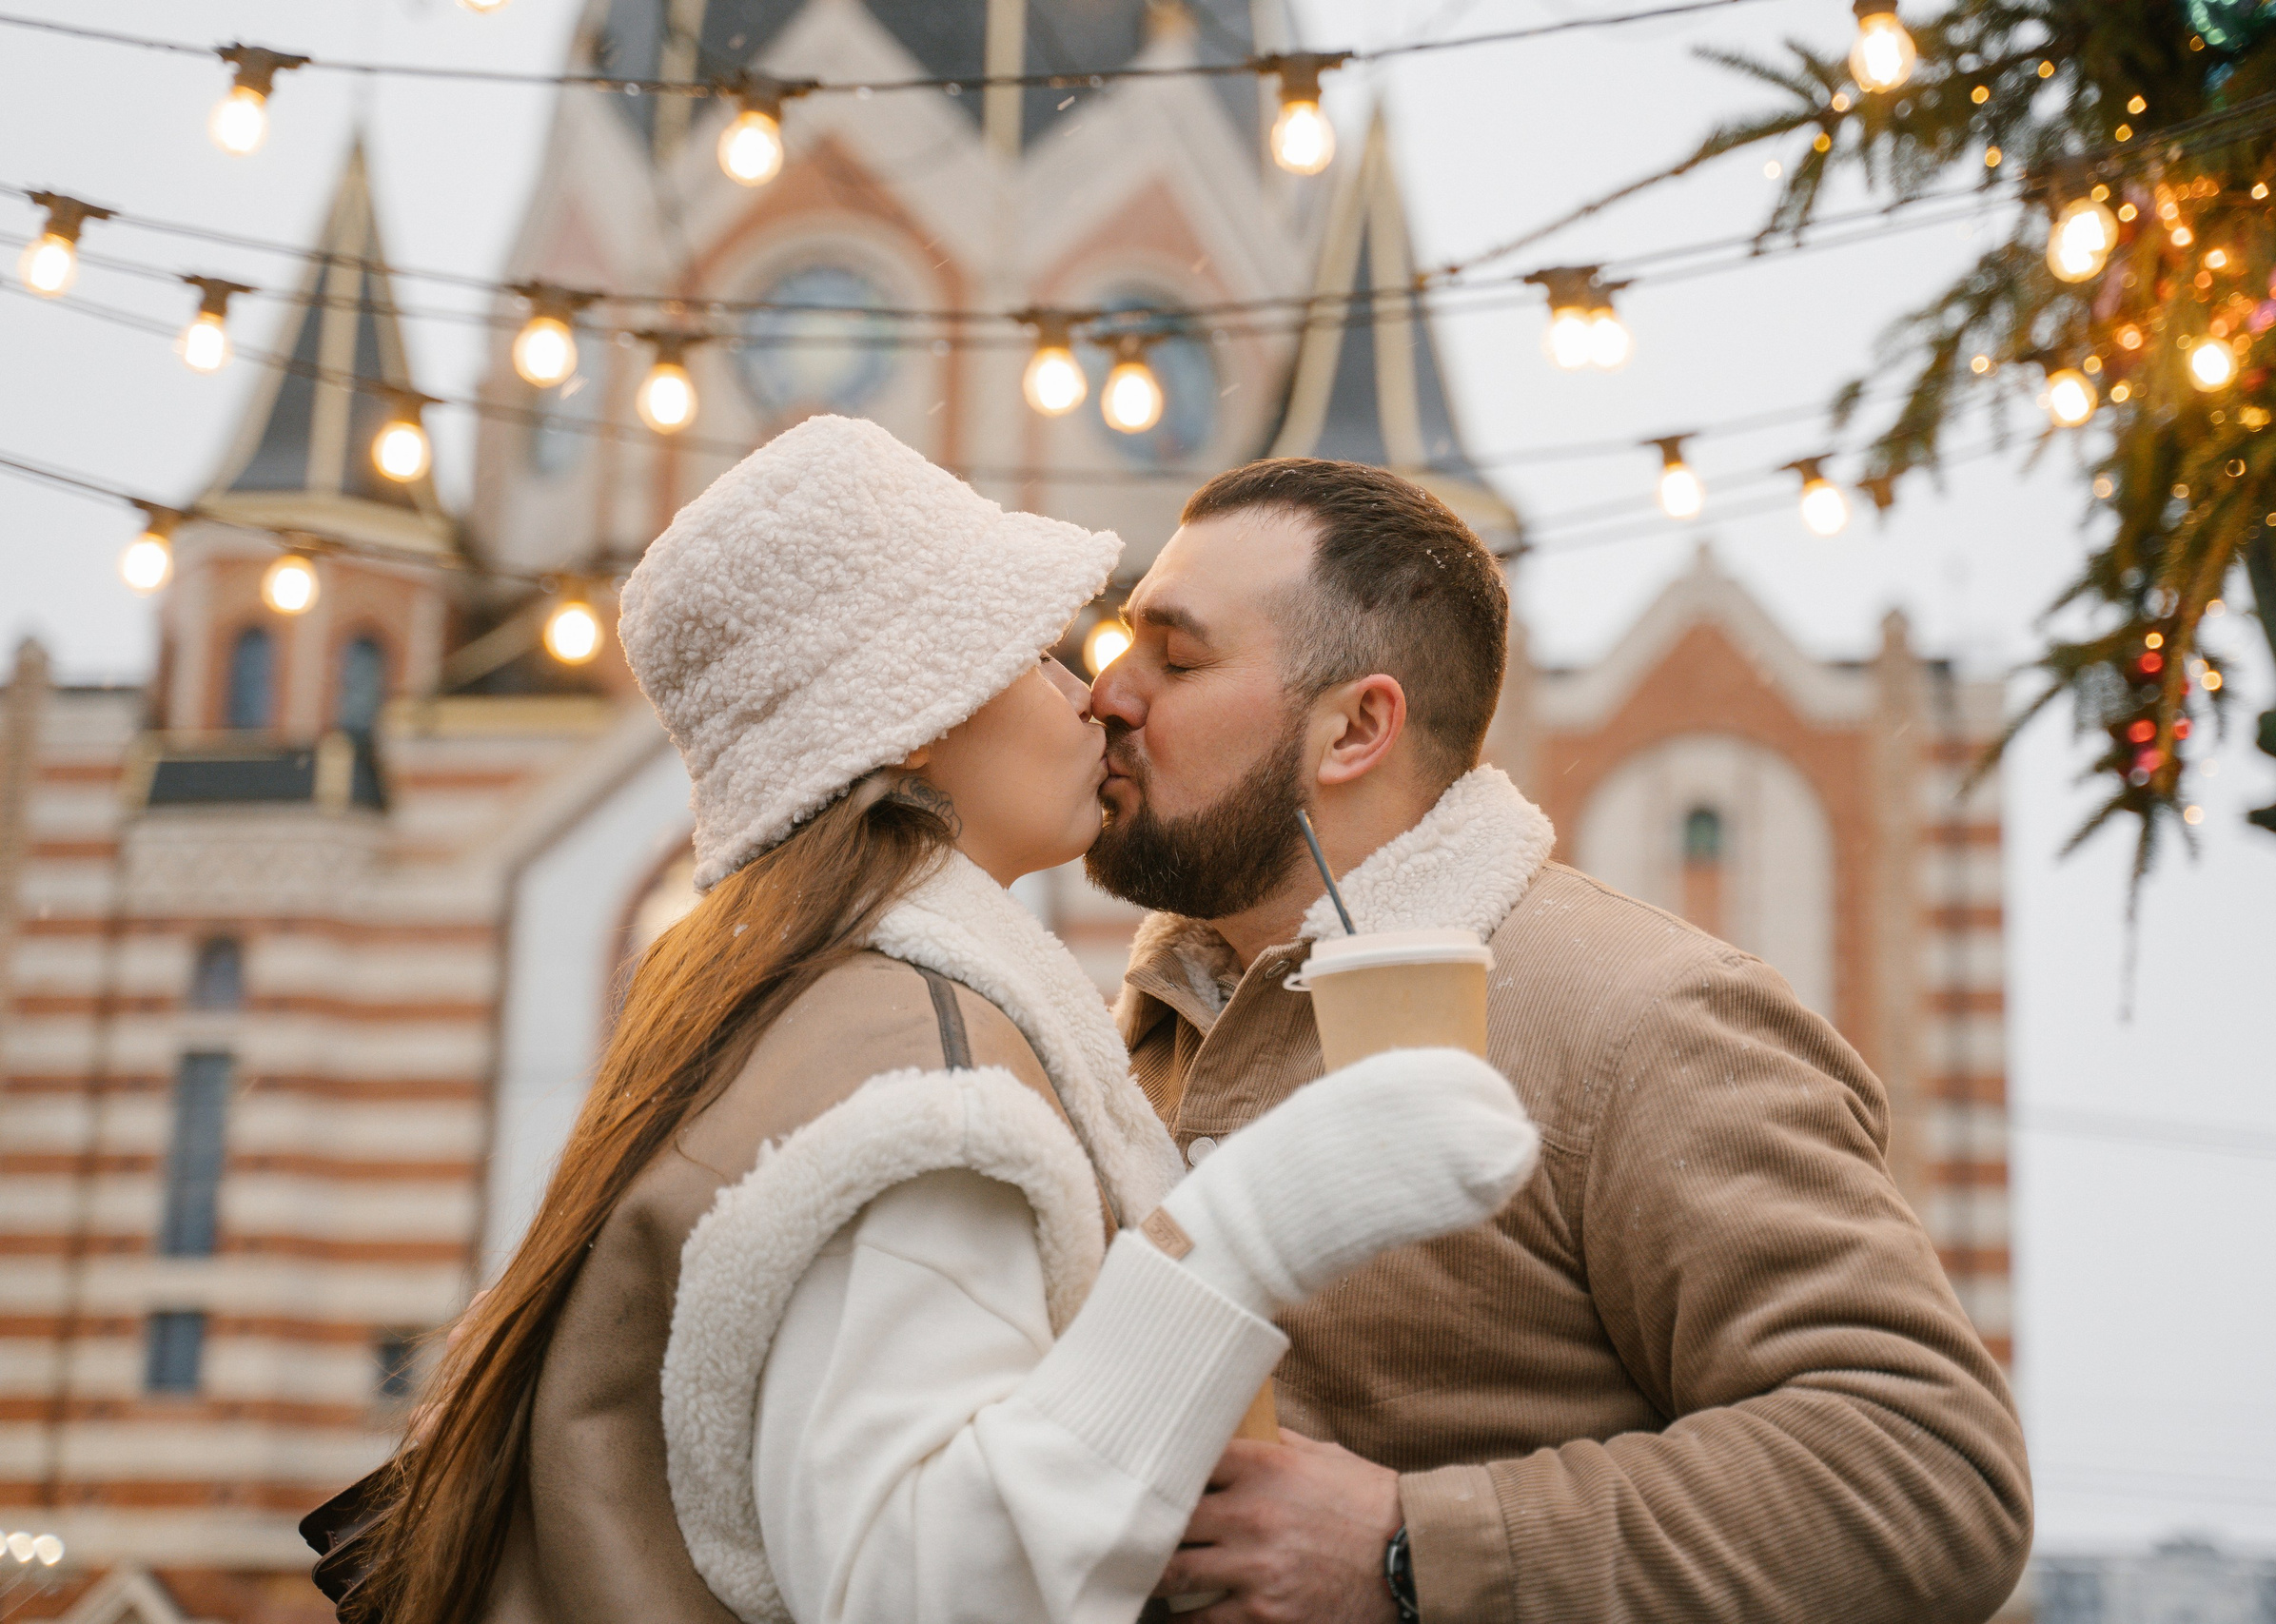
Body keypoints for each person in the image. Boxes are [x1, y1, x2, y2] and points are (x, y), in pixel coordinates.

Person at [316, 419, 1540, 1624]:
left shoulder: (812, 1008)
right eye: (1042, 656)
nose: (1096, 701)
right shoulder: (923, 1075)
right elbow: (924, 1589)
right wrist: (1251, 1230)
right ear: (917, 716)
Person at [1088, 458, 2035, 1624]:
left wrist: (1410, 1549)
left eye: (1175, 660)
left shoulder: (1645, 1016)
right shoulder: (1117, 1040)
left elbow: (1925, 1469)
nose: (1108, 696)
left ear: (1355, 730)